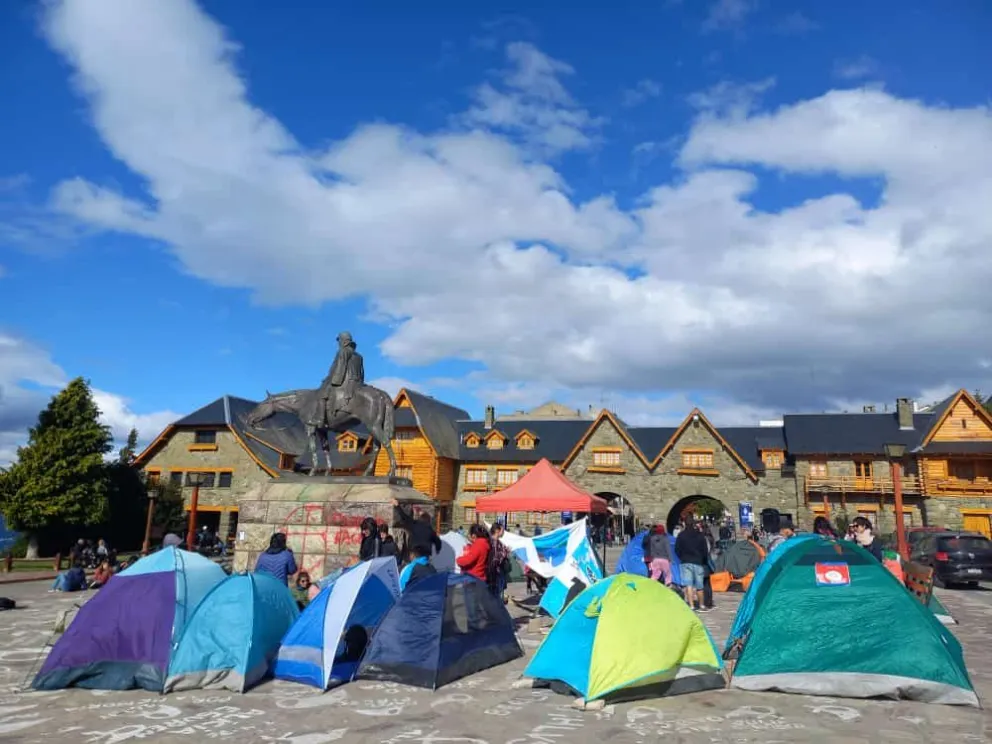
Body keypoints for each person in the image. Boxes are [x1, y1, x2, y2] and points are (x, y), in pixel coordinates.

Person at [675, 518, 709, 612]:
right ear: (694, 524)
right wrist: (703, 560)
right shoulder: (700, 535)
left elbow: (677, 549)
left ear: (684, 524)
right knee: (699, 585)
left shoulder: (681, 535)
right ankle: (701, 605)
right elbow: (705, 550)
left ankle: (691, 606)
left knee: (688, 584)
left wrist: (682, 557)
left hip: (685, 561)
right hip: (698, 561)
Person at [487, 523, 511, 600]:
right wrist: (505, 552)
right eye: (502, 530)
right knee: (495, 595)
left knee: (497, 593)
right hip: (495, 573)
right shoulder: (493, 542)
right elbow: (495, 558)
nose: (503, 532)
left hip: (497, 572)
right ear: (497, 531)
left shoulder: (497, 542)